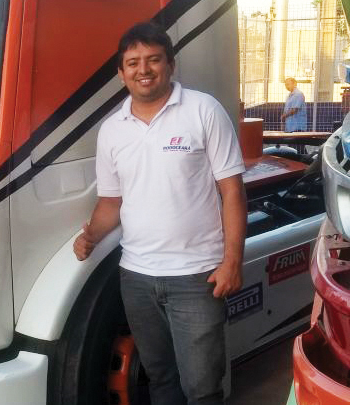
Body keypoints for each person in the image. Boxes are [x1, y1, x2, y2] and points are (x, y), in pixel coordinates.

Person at [73, 22, 247, 405]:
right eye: (133, 62)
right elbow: (111, 202)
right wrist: (90, 237)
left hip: (198, 276)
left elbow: (232, 191)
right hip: (136, 277)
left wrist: (232, 261)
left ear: (170, 64)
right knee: (160, 379)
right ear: (121, 73)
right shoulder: (112, 130)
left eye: (153, 59)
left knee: (203, 388)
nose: (144, 69)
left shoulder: (203, 110)